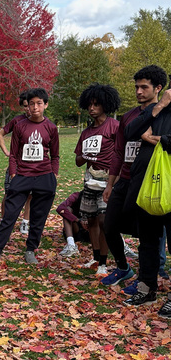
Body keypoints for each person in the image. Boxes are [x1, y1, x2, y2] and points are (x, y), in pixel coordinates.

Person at [101, 66, 168, 288]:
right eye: (136, 87)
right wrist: (111, 183)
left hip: (151, 181)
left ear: (158, 88)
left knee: (148, 232)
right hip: (125, 179)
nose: (138, 91)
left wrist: (155, 138)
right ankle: (123, 268)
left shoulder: (164, 114)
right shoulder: (129, 116)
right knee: (109, 225)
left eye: (144, 87)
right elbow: (119, 150)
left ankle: (152, 275)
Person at [0, 88, 58, 266]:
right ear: (28, 106)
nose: (35, 107)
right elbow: (13, 154)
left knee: (38, 217)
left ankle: (31, 250)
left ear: (45, 105)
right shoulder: (20, 125)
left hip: (44, 176)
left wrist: (53, 174)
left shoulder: (51, 128)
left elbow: (56, 155)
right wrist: (14, 174)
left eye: (39, 103)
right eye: (32, 104)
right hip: (22, 175)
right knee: (10, 214)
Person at [122, 86, 171, 317]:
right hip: (147, 187)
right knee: (148, 242)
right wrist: (159, 106)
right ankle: (147, 287)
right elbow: (130, 131)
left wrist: (159, 139)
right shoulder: (156, 109)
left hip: (169, 187)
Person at [74, 84, 120, 276]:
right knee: (91, 220)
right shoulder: (86, 133)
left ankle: (103, 262)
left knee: (103, 221)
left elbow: (121, 154)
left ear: (105, 105)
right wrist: (87, 155)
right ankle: (94, 257)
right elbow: (77, 161)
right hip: (90, 180)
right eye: (89, 105)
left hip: (108, 180)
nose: (92, 108)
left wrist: (114, 180)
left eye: (96, 104)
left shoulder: (114, 127)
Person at [0, 92, 31, 234]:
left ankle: (25, 222)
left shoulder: (41, 122)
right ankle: (3, 221)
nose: (29, 109)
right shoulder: (17, 121)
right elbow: (0, 134)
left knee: (30, 195)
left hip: (32, 166)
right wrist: (7, 152)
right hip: (16, 164)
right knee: (9, 194)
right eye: (26, 106)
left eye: (31, 104)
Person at [56, 190, 90, 257]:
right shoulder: (76, 196)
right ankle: (70, 244)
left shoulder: (99, 197)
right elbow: (60, 209)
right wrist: (78, 220)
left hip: (91, 228)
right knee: (67, 209)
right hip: (76, 227)